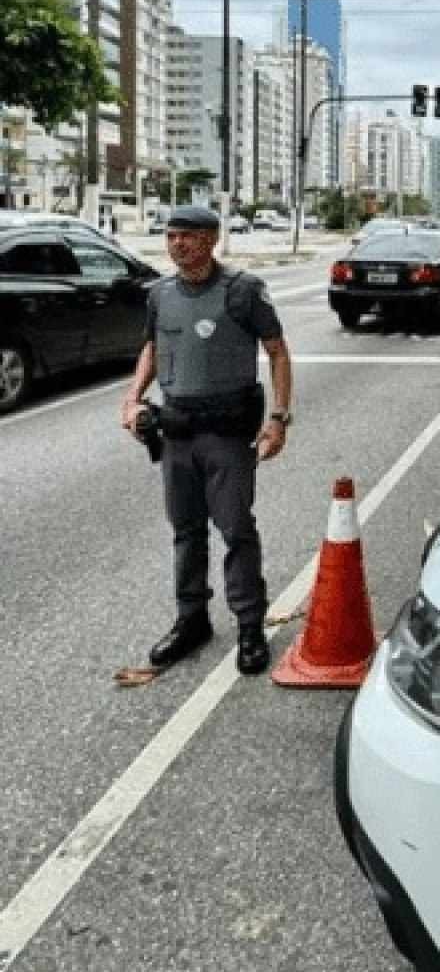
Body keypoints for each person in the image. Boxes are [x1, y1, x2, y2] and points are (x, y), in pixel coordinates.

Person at [120, 206, 293, 675]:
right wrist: (133, 398)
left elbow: (277, 352)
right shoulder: (159, 295)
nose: (178, 244)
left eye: (189, 237)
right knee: (186, 531)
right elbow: (153, 348)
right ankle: (191, 619)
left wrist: (277, 418)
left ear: (212, 239)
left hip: (227, 434)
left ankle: (250, 625)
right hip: (176, 432)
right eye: (172, 236)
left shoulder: (242, 292)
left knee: (236, 529)